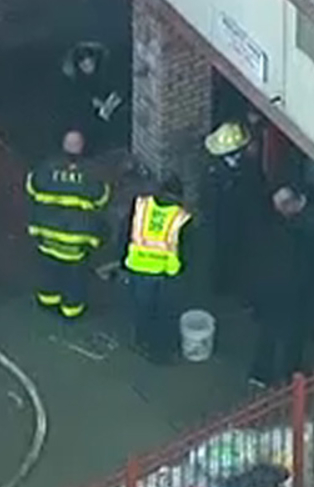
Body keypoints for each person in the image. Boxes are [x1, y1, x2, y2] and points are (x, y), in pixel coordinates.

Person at [247, 182, 314, 388]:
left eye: (282, 207)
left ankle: (287, 375)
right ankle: (271, 373)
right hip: (283, 288)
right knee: (276, 333)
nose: (279, 212)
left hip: (296, 292)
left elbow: (313, 266)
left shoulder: (311, 225)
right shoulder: (299, 220)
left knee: (290, 335)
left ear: (294, 202)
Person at [25, 129, 111, 319]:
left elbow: (31, 186)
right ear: (81, 148)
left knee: (49, 269)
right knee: (74, 277)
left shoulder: (47, 167)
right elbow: (102, 197)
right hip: (74, 239)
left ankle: (47, 301)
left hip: (47, 235)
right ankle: (71, 311)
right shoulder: (91, 172)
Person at [122, 175, 193, 363]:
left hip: (137, 268)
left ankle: (141, 341)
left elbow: (125, 232)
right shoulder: (181, 218)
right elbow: (186, 249)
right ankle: (160, 351)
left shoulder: (141, 205)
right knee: (163, 313)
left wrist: (122, 260)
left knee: (142, 309)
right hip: (165, 274)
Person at [203, 119, 265, 300]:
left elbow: (255, 186)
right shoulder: (216, 172)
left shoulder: (245, 166)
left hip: (241, 218)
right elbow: (211, 198)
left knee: (240, 253)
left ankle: (234, 286)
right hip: (222, 219)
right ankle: (220, 287)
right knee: (222, 253)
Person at [61, 40, 126, 148]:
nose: (88, 67)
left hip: (110, 103)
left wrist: (111, 101)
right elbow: (76, 96)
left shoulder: (105, 68)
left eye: (90, 63)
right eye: (84, 65)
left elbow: (117, 86)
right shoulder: (75, 78)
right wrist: (91, 101)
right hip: (89, 110)